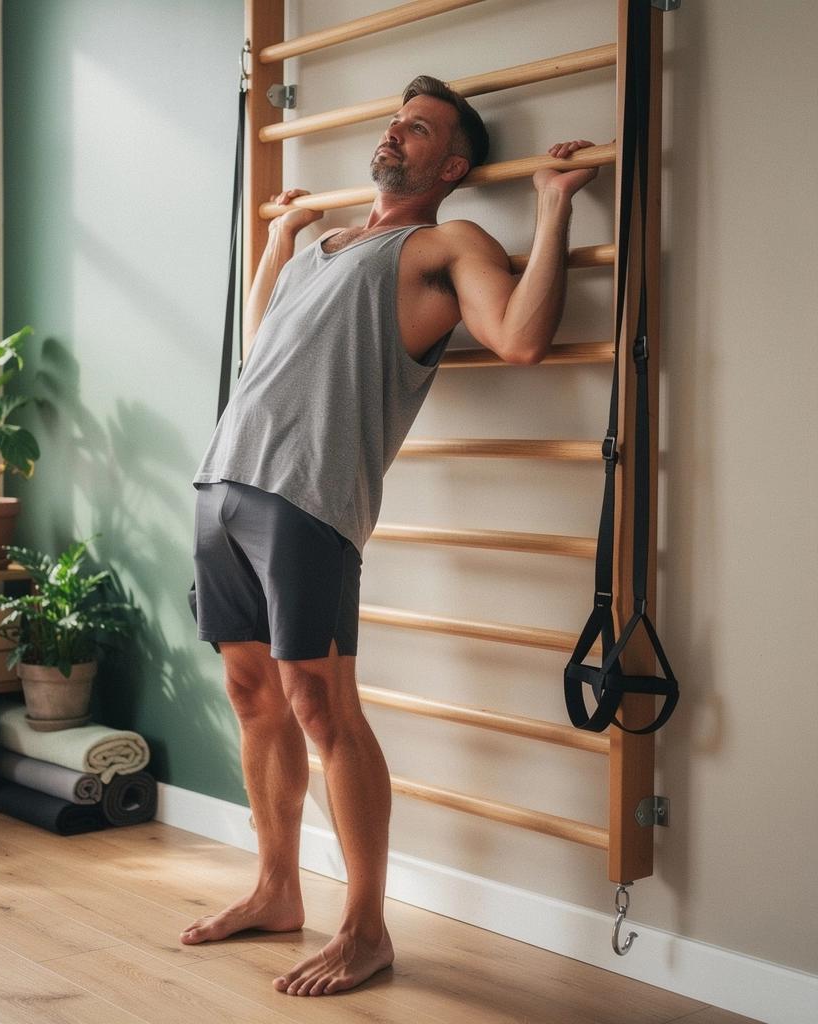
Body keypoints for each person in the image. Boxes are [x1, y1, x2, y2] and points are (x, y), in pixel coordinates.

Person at [183, 75, 600, 997]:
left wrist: (550, 208)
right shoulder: (320, 251)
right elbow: (265, 350)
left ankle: (366, 928)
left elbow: (521, 337)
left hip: (308, 501)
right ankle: (276, 887)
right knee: (252, 693)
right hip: (223, 481)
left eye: (417, 128)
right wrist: (282, 238)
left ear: (450, 163)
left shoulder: (442, 244)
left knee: (323, 709)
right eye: (393, 121)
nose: (394, 134)